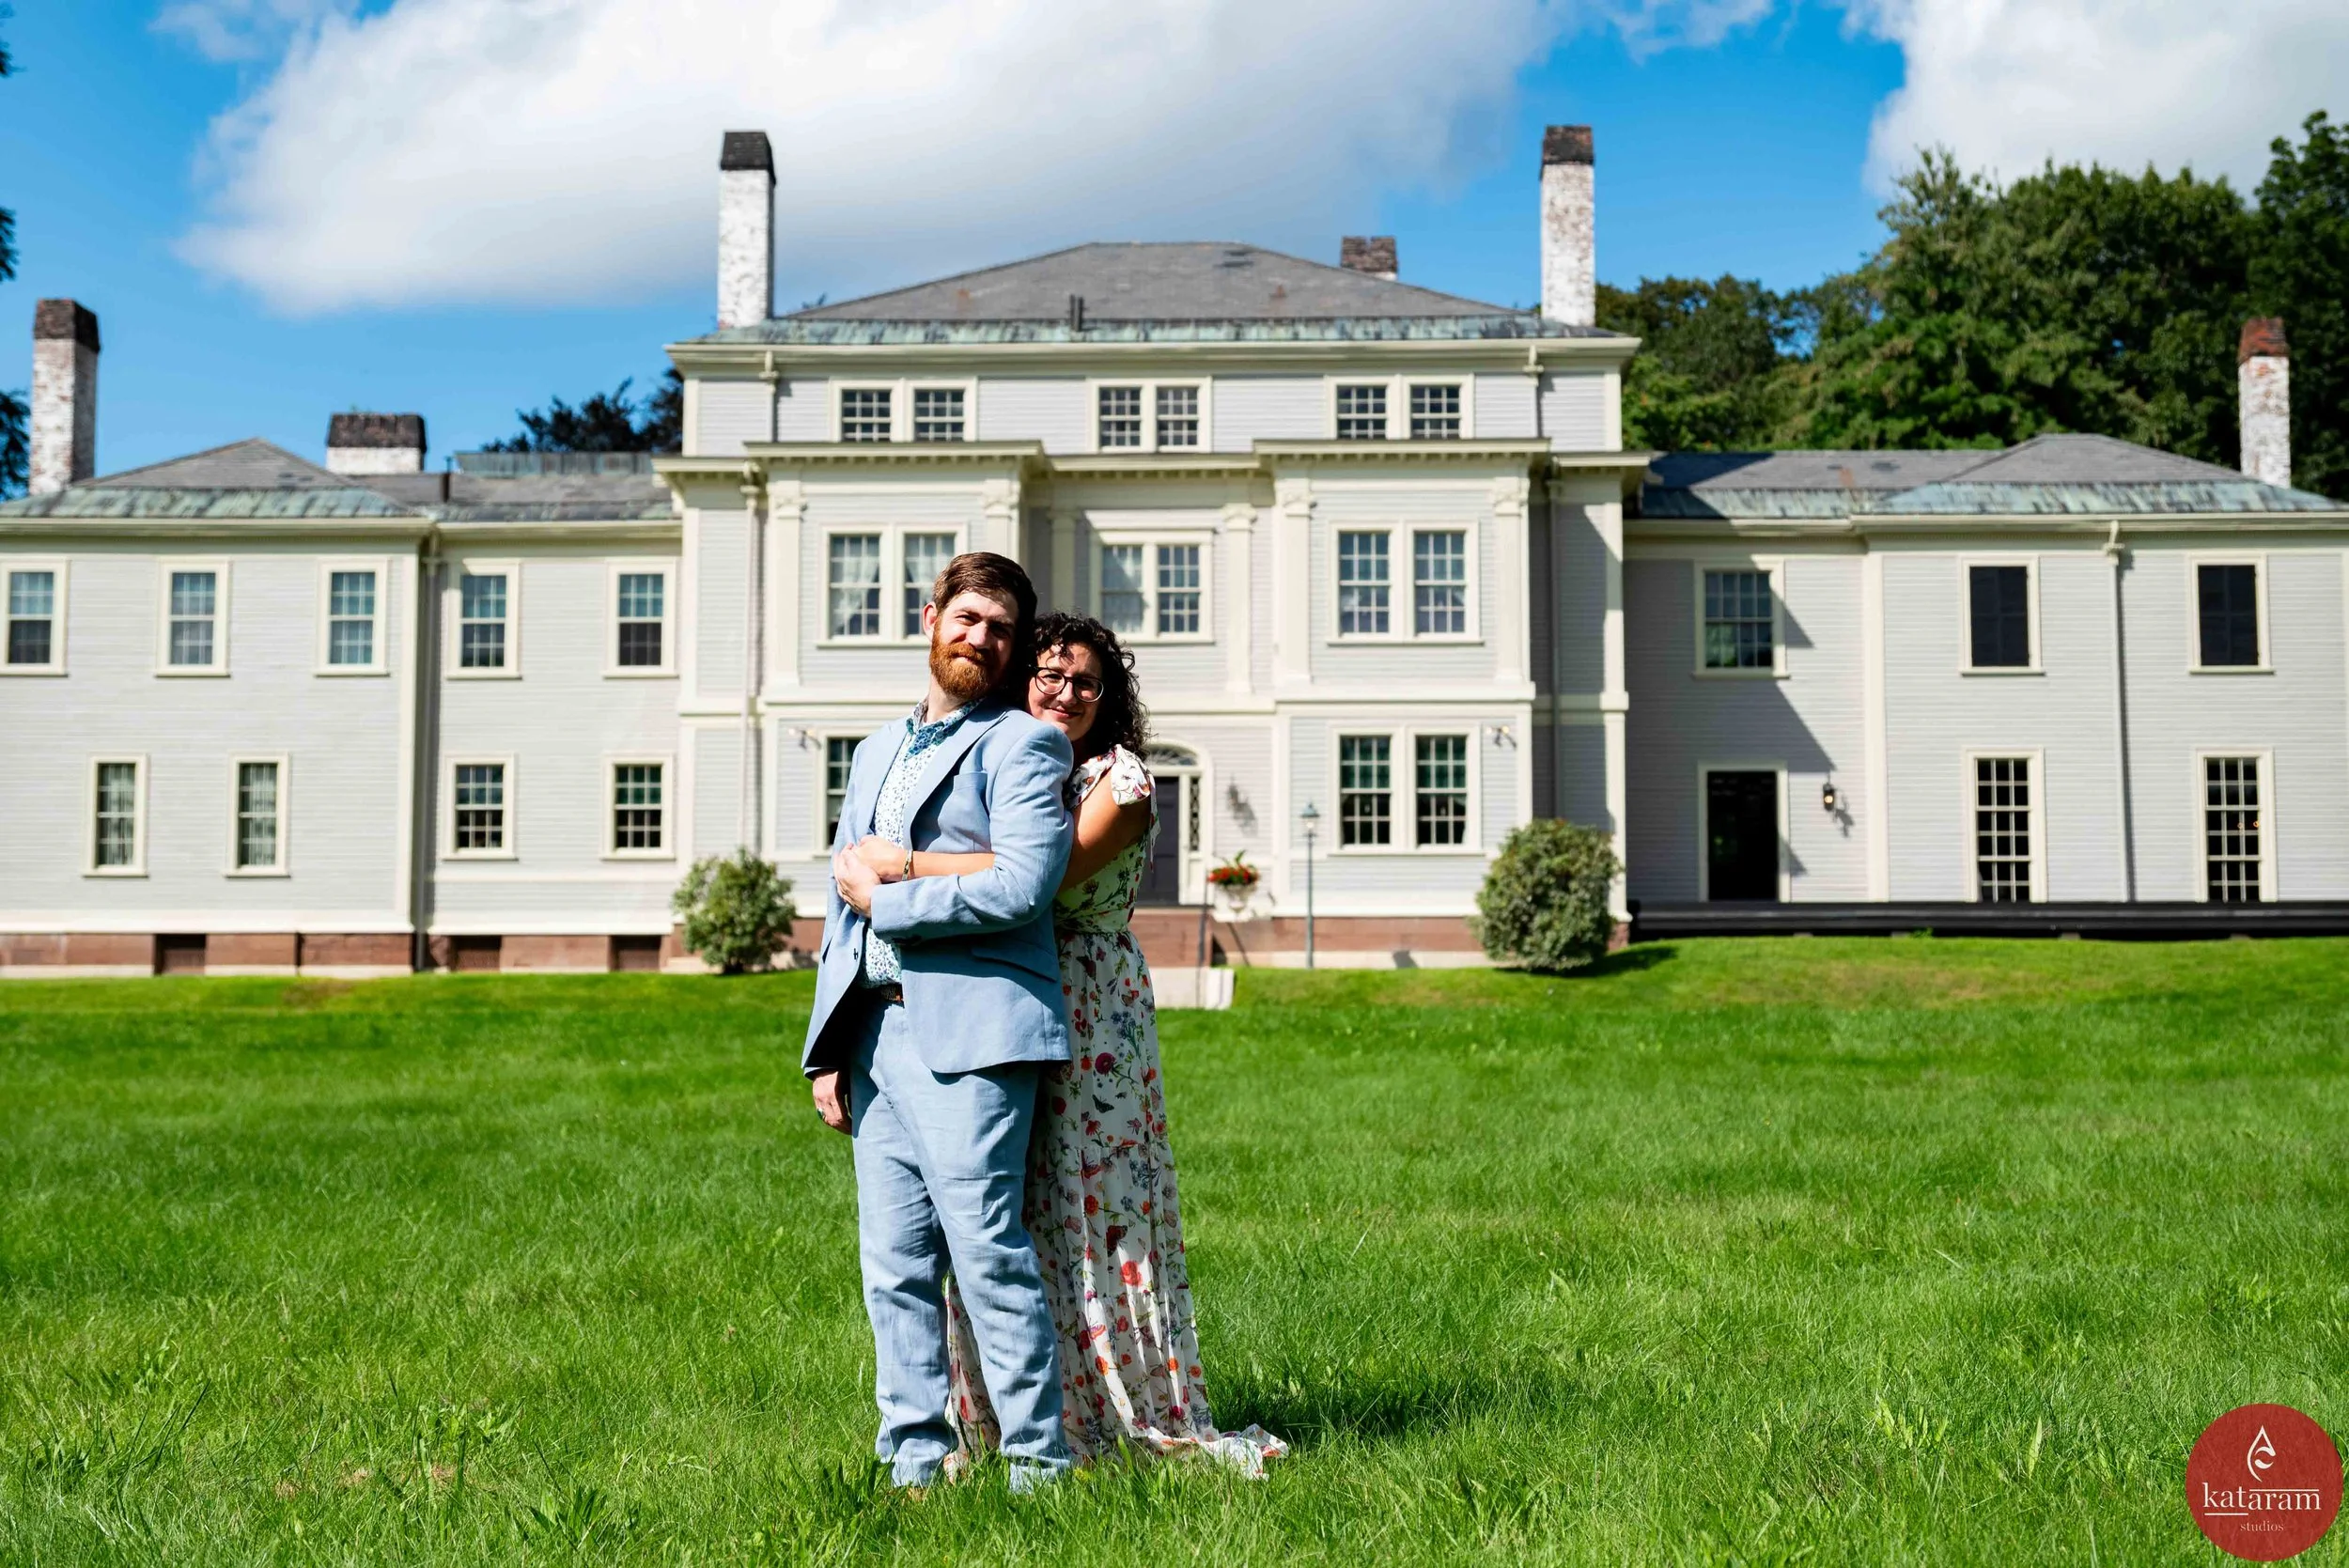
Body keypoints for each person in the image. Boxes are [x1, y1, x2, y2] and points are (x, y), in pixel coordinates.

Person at [848, 613, 1286, 1477]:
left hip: (1088, 1007)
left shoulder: (1119, 780)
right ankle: (1001, 1415)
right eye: (1048, 673)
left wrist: (895, 867)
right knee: (1010, 1215)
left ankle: (1114, 1408)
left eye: (1086, 680)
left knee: (1096, 1210)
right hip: (999, 992)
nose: (1065, 692)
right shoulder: (1008, 757)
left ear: (1108, 695)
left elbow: (1037, 876)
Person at [803, 552, 1076, 1493]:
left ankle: (1038, 1464)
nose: (982, 639)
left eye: (1000, 628)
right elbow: (842, 895)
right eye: (967, 618)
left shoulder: (1024, 746)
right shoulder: (876, 750)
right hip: (874, 1033)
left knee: (988, 1254)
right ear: (930, 619)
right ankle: (915, 1460)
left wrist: (897, 893)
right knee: (893, 1266)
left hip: (974, 1034)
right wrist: (827, 1046)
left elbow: (1023, 884)